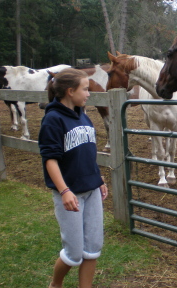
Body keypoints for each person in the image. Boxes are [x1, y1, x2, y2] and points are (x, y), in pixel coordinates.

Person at [38, 68, 108, 288]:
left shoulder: (83, 116)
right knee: (74, 252)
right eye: (85, 89)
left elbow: (87, 152)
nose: (89, 93)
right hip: (69, 194)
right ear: (70, 91)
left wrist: (99, 178)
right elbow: (50, 159)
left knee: (93, 248)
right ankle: (55, 284)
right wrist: (64, 190)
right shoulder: (53, 120)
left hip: (92, 189)